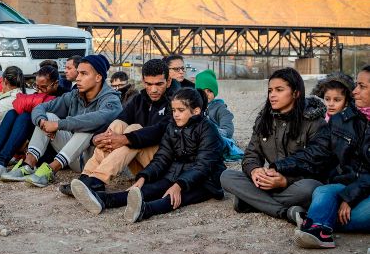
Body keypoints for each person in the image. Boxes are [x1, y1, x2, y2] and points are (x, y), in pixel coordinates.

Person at [71, 88, 226, 222]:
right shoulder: (172, 127)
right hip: (178, 172)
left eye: (181, 111)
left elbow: (204, 166)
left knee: (171, 197)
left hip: (207, 180)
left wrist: (178, 185)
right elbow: (162, 157)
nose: (176, 115)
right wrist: (143, 177)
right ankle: (103, 199)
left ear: (196, 111)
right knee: (146, 189)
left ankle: (144, 210)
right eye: (173, 111)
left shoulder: (208, 129)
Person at [270, 66, 370, 248]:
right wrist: (278, 167)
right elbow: (317, 153)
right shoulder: (341, 120)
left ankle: (316, 220)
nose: (355, 91)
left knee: (359, 213)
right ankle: (316, 231)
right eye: (356, 85)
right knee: (323, 191)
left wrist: (349, 198)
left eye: (362, 86)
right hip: (345, 184)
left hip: (365, 190)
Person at [220, 68, 327, 223]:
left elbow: (317, 165)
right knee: (227, 176)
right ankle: (285, 212)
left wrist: (285, 180)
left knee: (311, 188)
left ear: (296, 93)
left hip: (296, 184)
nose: (272, 95)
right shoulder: (264, 120)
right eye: (270, 90)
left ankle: (253, 201)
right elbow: (251, 155)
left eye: (279, 90)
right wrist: (255, 171)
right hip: (268, 182)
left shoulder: (315, 123)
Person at [1, 55, 122, 187]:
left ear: (98, 77)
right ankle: (28, 165)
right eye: (78, 73)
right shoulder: (75, 95)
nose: (78, 78)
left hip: (93, 160)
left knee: (87, 128)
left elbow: (97, 118)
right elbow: (40, 107)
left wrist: (59, 125)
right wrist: (43, 122)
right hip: (71, 156)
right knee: (48, 116)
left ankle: (51, 170)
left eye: (84, 74)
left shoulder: (111, 100)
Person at [64, 59, 174, 196]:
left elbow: (160, 130)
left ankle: (98, 179)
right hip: (141, 163)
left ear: (168, 81)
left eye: (159, 84)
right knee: (118, 125)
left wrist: (126, 139)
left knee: (133, 129)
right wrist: (96, 137)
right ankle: (86, 177)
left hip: (163, 165)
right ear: (143, 80)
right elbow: (120, 119)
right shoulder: (140, 99)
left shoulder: (176, 100)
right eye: (149, 84)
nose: (153, 89)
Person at [0, 66, 65, 178]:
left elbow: (27, 105)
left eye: (43, 87)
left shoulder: (63, 97)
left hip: (52, 150)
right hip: (37, 146)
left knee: (25, 116)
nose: (39, 91)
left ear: (55, 84)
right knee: (12, 113)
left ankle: (1, 162)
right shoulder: (40, 94)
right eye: (36, 86)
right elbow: (17, 104)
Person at [195, 69, 244, 160]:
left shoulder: (220, 108)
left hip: (217, 138)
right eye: (202, 91)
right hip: (199, 139)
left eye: (209, 91)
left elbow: (228, 130)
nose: (206, 94)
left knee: (222, 143)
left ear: (215, 92)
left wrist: (212, 131)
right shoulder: (194, 108)